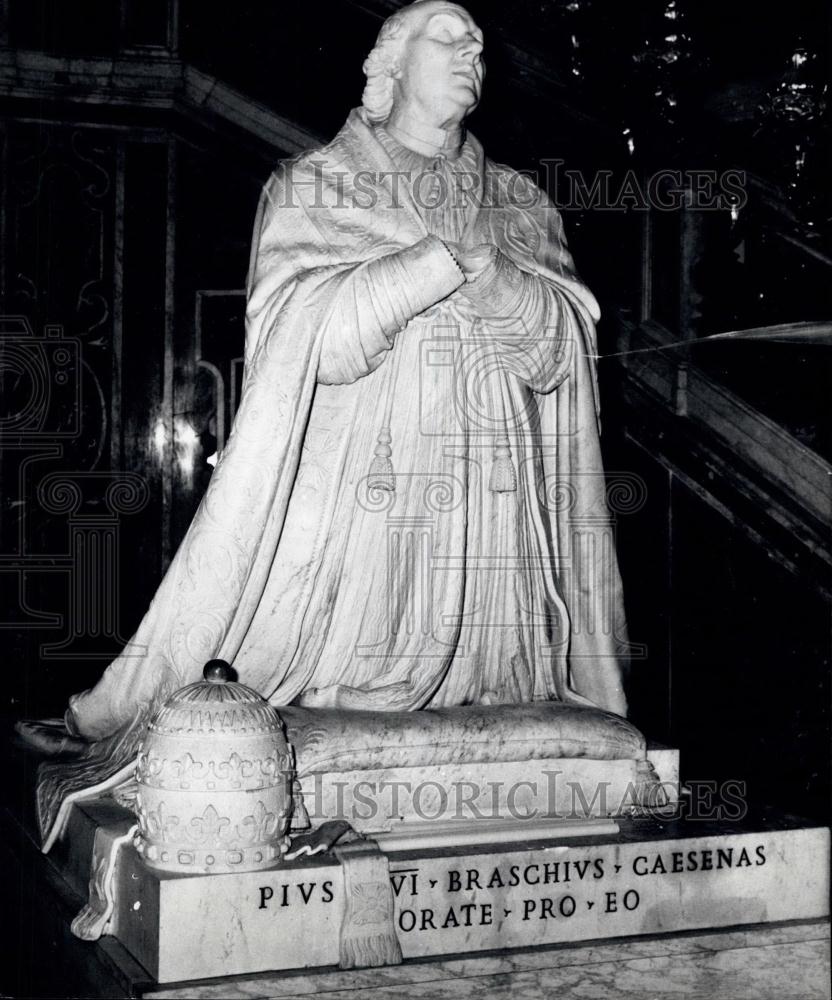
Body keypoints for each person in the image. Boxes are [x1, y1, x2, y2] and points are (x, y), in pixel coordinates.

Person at [21, 0, 629, 846]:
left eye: (480, 46)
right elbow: (304, 343)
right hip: (364, 500)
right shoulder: (316, 185)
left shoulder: (521, 204)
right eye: (449, 39)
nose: (472, 55)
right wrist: (426, 269)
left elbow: (561, 354)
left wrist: (494, 280)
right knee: (356, 677)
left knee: (496, 673)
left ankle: (488, 681)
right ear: (390, 66)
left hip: (495, 499)